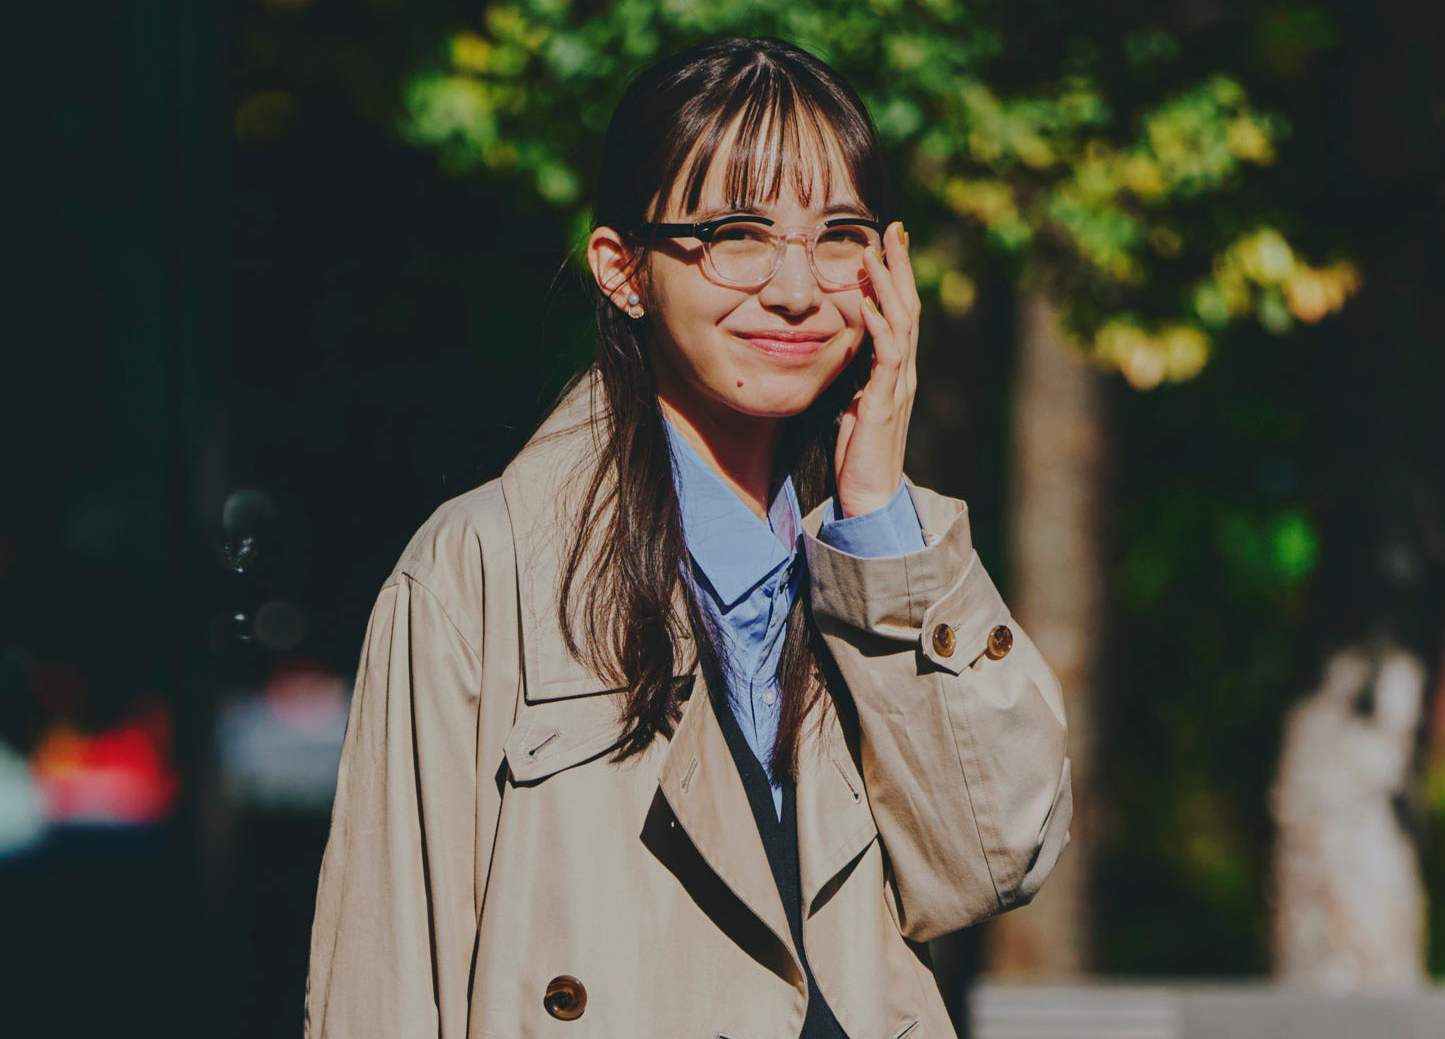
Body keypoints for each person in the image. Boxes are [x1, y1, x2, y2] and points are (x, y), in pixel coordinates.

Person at [305, 36, 1071, 1039]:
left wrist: (877, 507)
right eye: (736, 234)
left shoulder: (885, 553)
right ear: (622, 270)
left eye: (838, 235)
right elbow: (383, 985)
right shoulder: (479, 571)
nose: (796, 290)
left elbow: (993, 854)